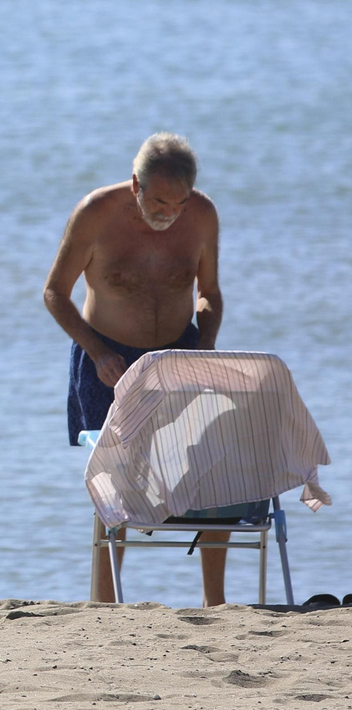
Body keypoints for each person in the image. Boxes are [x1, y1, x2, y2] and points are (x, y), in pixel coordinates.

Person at [43, 132, 228, 605]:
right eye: (160, 201)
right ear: (136, 184)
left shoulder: (202, 215)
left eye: (179, 202)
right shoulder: (96, 214)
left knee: (208, 468)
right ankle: (105, 603)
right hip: (107, 357)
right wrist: (97, 352)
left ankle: (215, 602)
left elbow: (208, 291)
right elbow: (54, 294)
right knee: (115, 481)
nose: (169, 212)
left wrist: (205, 343)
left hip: (179, 354)